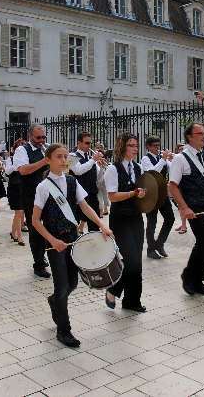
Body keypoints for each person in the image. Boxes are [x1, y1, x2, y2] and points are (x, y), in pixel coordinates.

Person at [32, 143, 113, 347]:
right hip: (55, 243)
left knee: (73, 283)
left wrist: (102, 224)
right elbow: (34, 221)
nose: (63, 160)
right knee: (62, 286)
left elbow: (84, 207)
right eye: (59, 156)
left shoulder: (71, 181)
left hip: (73, 239)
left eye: (65, 156)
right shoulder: (43, 187)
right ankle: (63, 330)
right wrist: (52, 240)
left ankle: (54, 302)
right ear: (49, 160)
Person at [169, 123, 204, 297]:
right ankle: (189, 277)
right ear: (190, 137)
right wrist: (184, 208)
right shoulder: (180, 159)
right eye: (200, 133)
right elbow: (173, 186)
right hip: (194, 208)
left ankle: (197, 280)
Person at [104, 133, 147, 313]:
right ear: (122, 147)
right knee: (130, 259)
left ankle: (132, 300)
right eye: (131, 145)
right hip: (120, 219)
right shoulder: (112, 169)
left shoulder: (138, 167)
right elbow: (112, 196)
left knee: (137, 260)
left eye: (136, 145)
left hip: (136, 217)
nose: (135, 149)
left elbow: (143, 189)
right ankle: (113, 289)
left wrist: (144, 193)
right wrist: (132, 193)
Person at [15, 124, 51, 278]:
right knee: (35, 230)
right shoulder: (22, 150)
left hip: (50, 194)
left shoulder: (47, 148)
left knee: (51, 227)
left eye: (43, 137)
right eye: (38, 138)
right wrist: (45, 161)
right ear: (30, 136)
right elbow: (23, 170)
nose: (42, 141)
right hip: (31, 196)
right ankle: (38, 263)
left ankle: (46, 255)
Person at [141, 136, 175, 259]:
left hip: (162, 193)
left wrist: (174, 158)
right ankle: (150, 249)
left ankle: (160, 244)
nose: (157, 148)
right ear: (148, 147)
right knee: (152, 222)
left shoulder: (163, 158)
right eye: (155, 146)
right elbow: (152, 172)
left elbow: (173, 169)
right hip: (151, 194)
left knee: (170, 218)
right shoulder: (145, 158)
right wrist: (163, 159)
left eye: (158, 145)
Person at [69, 132, 104, 233]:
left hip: (92, 194)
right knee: (74, 223)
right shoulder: (71, 155)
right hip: (78, 195)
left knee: (95, 225)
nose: (89, 146)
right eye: (86, 143)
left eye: (90, 143)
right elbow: (78, 171)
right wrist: (93, 160)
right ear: (79, 143)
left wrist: (101, 167)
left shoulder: (90, 158)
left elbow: (99, 178)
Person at [5, 139, 26, 246]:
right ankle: (19, 237)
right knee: (19, 212)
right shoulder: (10, 159)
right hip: (14, 187)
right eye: (19, 146)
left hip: (23, 187)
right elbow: (7, 171)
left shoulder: (27, 159)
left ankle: (13, 233)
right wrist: (17, 166)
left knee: (20, 212)